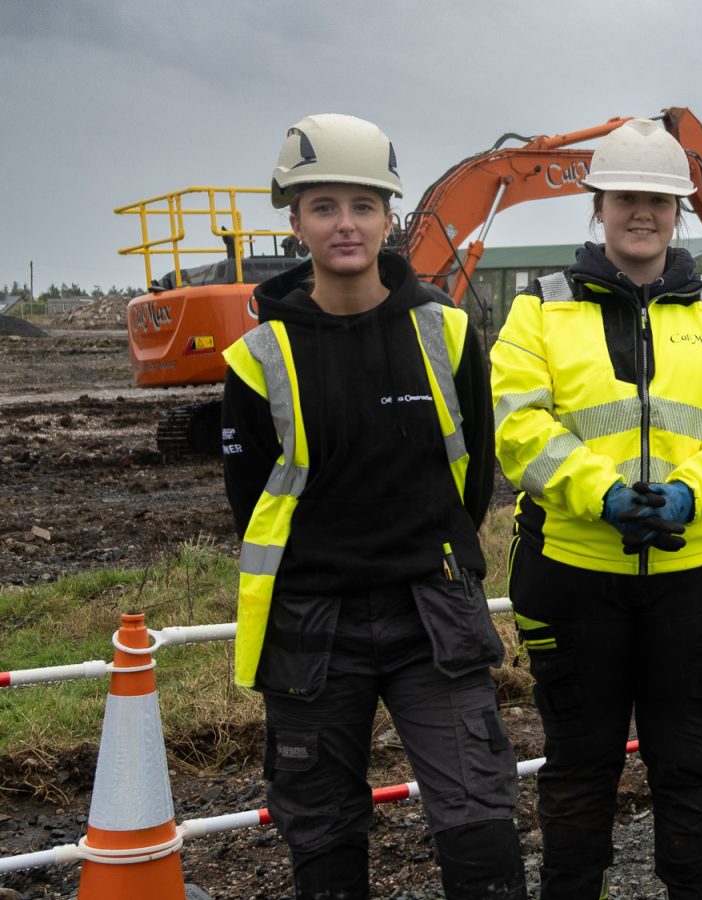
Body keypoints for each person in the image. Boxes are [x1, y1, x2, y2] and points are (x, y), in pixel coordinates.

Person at [221, 113, 525, 899]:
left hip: (433, 615)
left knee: (480, 820)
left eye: (362, 205)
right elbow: (252, 502)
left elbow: (473, 475)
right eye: (324, 206)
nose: (345, 224)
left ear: (391, 217)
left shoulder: (449, 335)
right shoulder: (258, 357)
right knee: (322, 833)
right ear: (295, 223)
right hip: (311, 624)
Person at [490, 117, 702, 900]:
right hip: (575, 574)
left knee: (690, 770)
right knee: (581, 771)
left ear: (680, 210)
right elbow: (520, 427)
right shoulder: (538, 310)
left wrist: (692, 492)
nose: (641, 213)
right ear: (598, 205)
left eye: (658, 199)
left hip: (696, 577)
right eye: (626, 197)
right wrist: (602, 494)